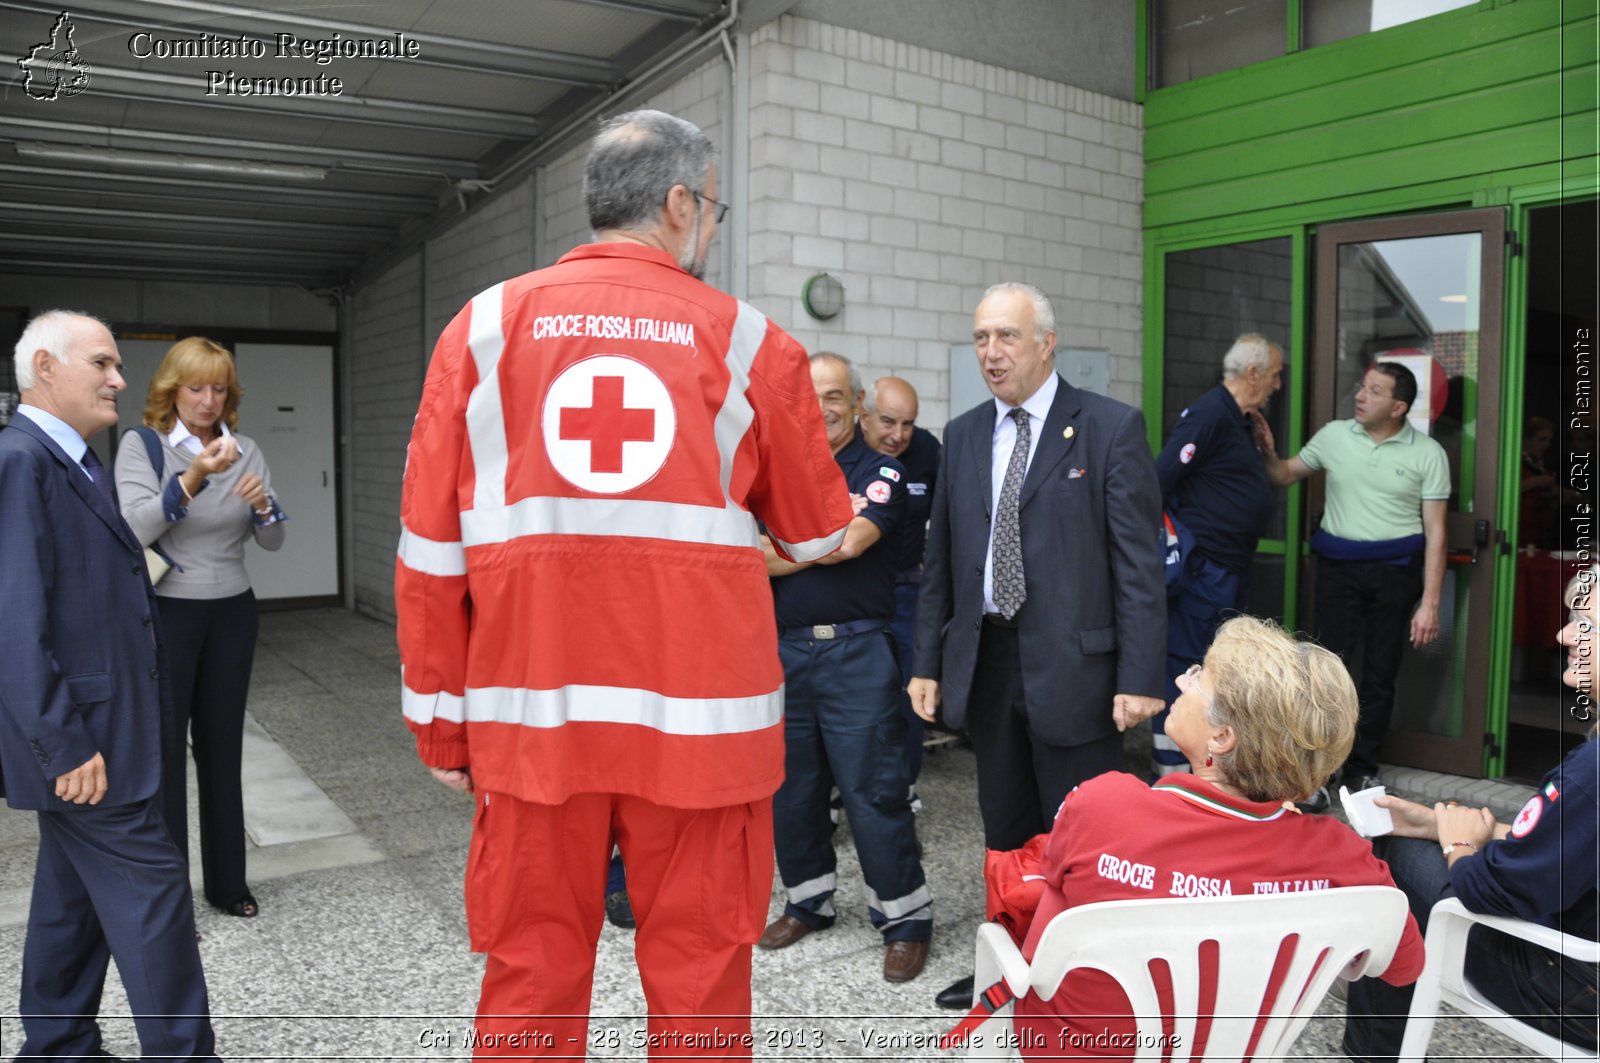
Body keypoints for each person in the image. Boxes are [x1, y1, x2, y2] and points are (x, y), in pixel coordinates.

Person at [395, 109, 852, 1056]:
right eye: (714, 209)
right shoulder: (753, 344)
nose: (713, 229)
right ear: (680, 204)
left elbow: (431, 548)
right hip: (702, 728)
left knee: (529, 971)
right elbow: (815, 532)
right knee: (700, 978)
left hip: (530, 721)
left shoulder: (480, 331)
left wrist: (440, 715)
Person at [995, 615, 1426, 1059]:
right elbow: (1405, 967)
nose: (1183, 679)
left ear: (1222, 738)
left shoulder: (1102, 806)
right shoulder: (1343, 857)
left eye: (1200, 676)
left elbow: (1040, 936)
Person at [909, 282, 1167, 1010]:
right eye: (982, 337)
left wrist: (1141, 673)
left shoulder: (1108, 427)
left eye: (1008, 337)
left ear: (1047, 343)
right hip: (987, 661)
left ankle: (1084, 977)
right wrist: (926, 661)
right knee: (1005, 823)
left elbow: (1138, 564)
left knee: (1080, 830)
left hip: (1078, 671)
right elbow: (944, 562)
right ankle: (1010, 964)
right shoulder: (961, 435)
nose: (992, 352)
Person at [0, 310, 218, 1060]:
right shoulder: (21, 461)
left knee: (72, 900)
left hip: (110, 728)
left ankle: (58, 1041)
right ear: (46, 369)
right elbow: (13, 620)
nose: (119, 379)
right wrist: (62, 744)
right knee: (156, 892)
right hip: (84, 742)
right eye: (102, 363)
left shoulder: (74, 458)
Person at [1342, 565, 1599, 1061]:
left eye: (1584, 625)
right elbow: (1570, 845)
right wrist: (1438, 822)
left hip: (1573, 989)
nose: (1563, 634)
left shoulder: (1593, 771)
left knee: (1394, 858)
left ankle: (1370, 1051)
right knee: (1413, 838)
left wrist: (1457, 844)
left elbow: (1488, 892)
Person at [758, 353, 932, 983]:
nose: (823, 406)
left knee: (875, 792)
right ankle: (809, 902)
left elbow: (856, 540)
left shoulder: (880, 469)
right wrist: (815, 543)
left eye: (835, 395)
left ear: (856, 405)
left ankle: (905, 920)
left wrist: (788, 545)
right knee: (793, 791)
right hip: (785, 655)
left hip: (857, 654)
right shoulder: (772, 473)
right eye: (811, 395)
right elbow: (753, 558)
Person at [115, 336, 286, 919]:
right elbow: (134, 528)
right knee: (164, 753)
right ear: (171, 391)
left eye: (218, 388)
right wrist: (191, 478)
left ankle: (227, 884)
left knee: (222, 747)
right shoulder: (144, 447)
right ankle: (169, 894)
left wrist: (265, 506)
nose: (208, 400)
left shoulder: (248, 449)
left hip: (232, 609)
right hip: (169, 612)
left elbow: (273, 539)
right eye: (195, 387)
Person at [1256, 362, 1449, 809]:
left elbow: (1437, 532)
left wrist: (1431, 604)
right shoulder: (1335, 436)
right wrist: (1266, 451)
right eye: (1362, 387)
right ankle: (1318, 774)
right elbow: (1284, 475)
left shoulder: (1428, 454)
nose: (1361, 396)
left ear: (1398, 407)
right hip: (1338, 571)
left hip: (1394, 574)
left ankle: (1362, 772)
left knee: (1379, 678)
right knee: (1325, 674)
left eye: (1375, 391)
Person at [1150, 334, 1283, 776]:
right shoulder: (1209, 414)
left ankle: (1201, 766)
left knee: (1213, 666)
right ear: (1253, 374)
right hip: (1204, 568)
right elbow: (1159, 478)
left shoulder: (1241, 419)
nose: (1279, 385)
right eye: (1276, 375)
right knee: (1185, 660)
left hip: (1229, 566)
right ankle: (1172, 774)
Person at [859, 375, 941, 801]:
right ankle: (838, 793)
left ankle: (904, 789)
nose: (898, 435)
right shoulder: (844, 448)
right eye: (889, 422)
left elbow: (951, 516)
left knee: (910, 694)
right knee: (855, 695)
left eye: (907, 424)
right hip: (851, 593)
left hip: (908, 593)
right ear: (864, 414)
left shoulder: (928, 451)